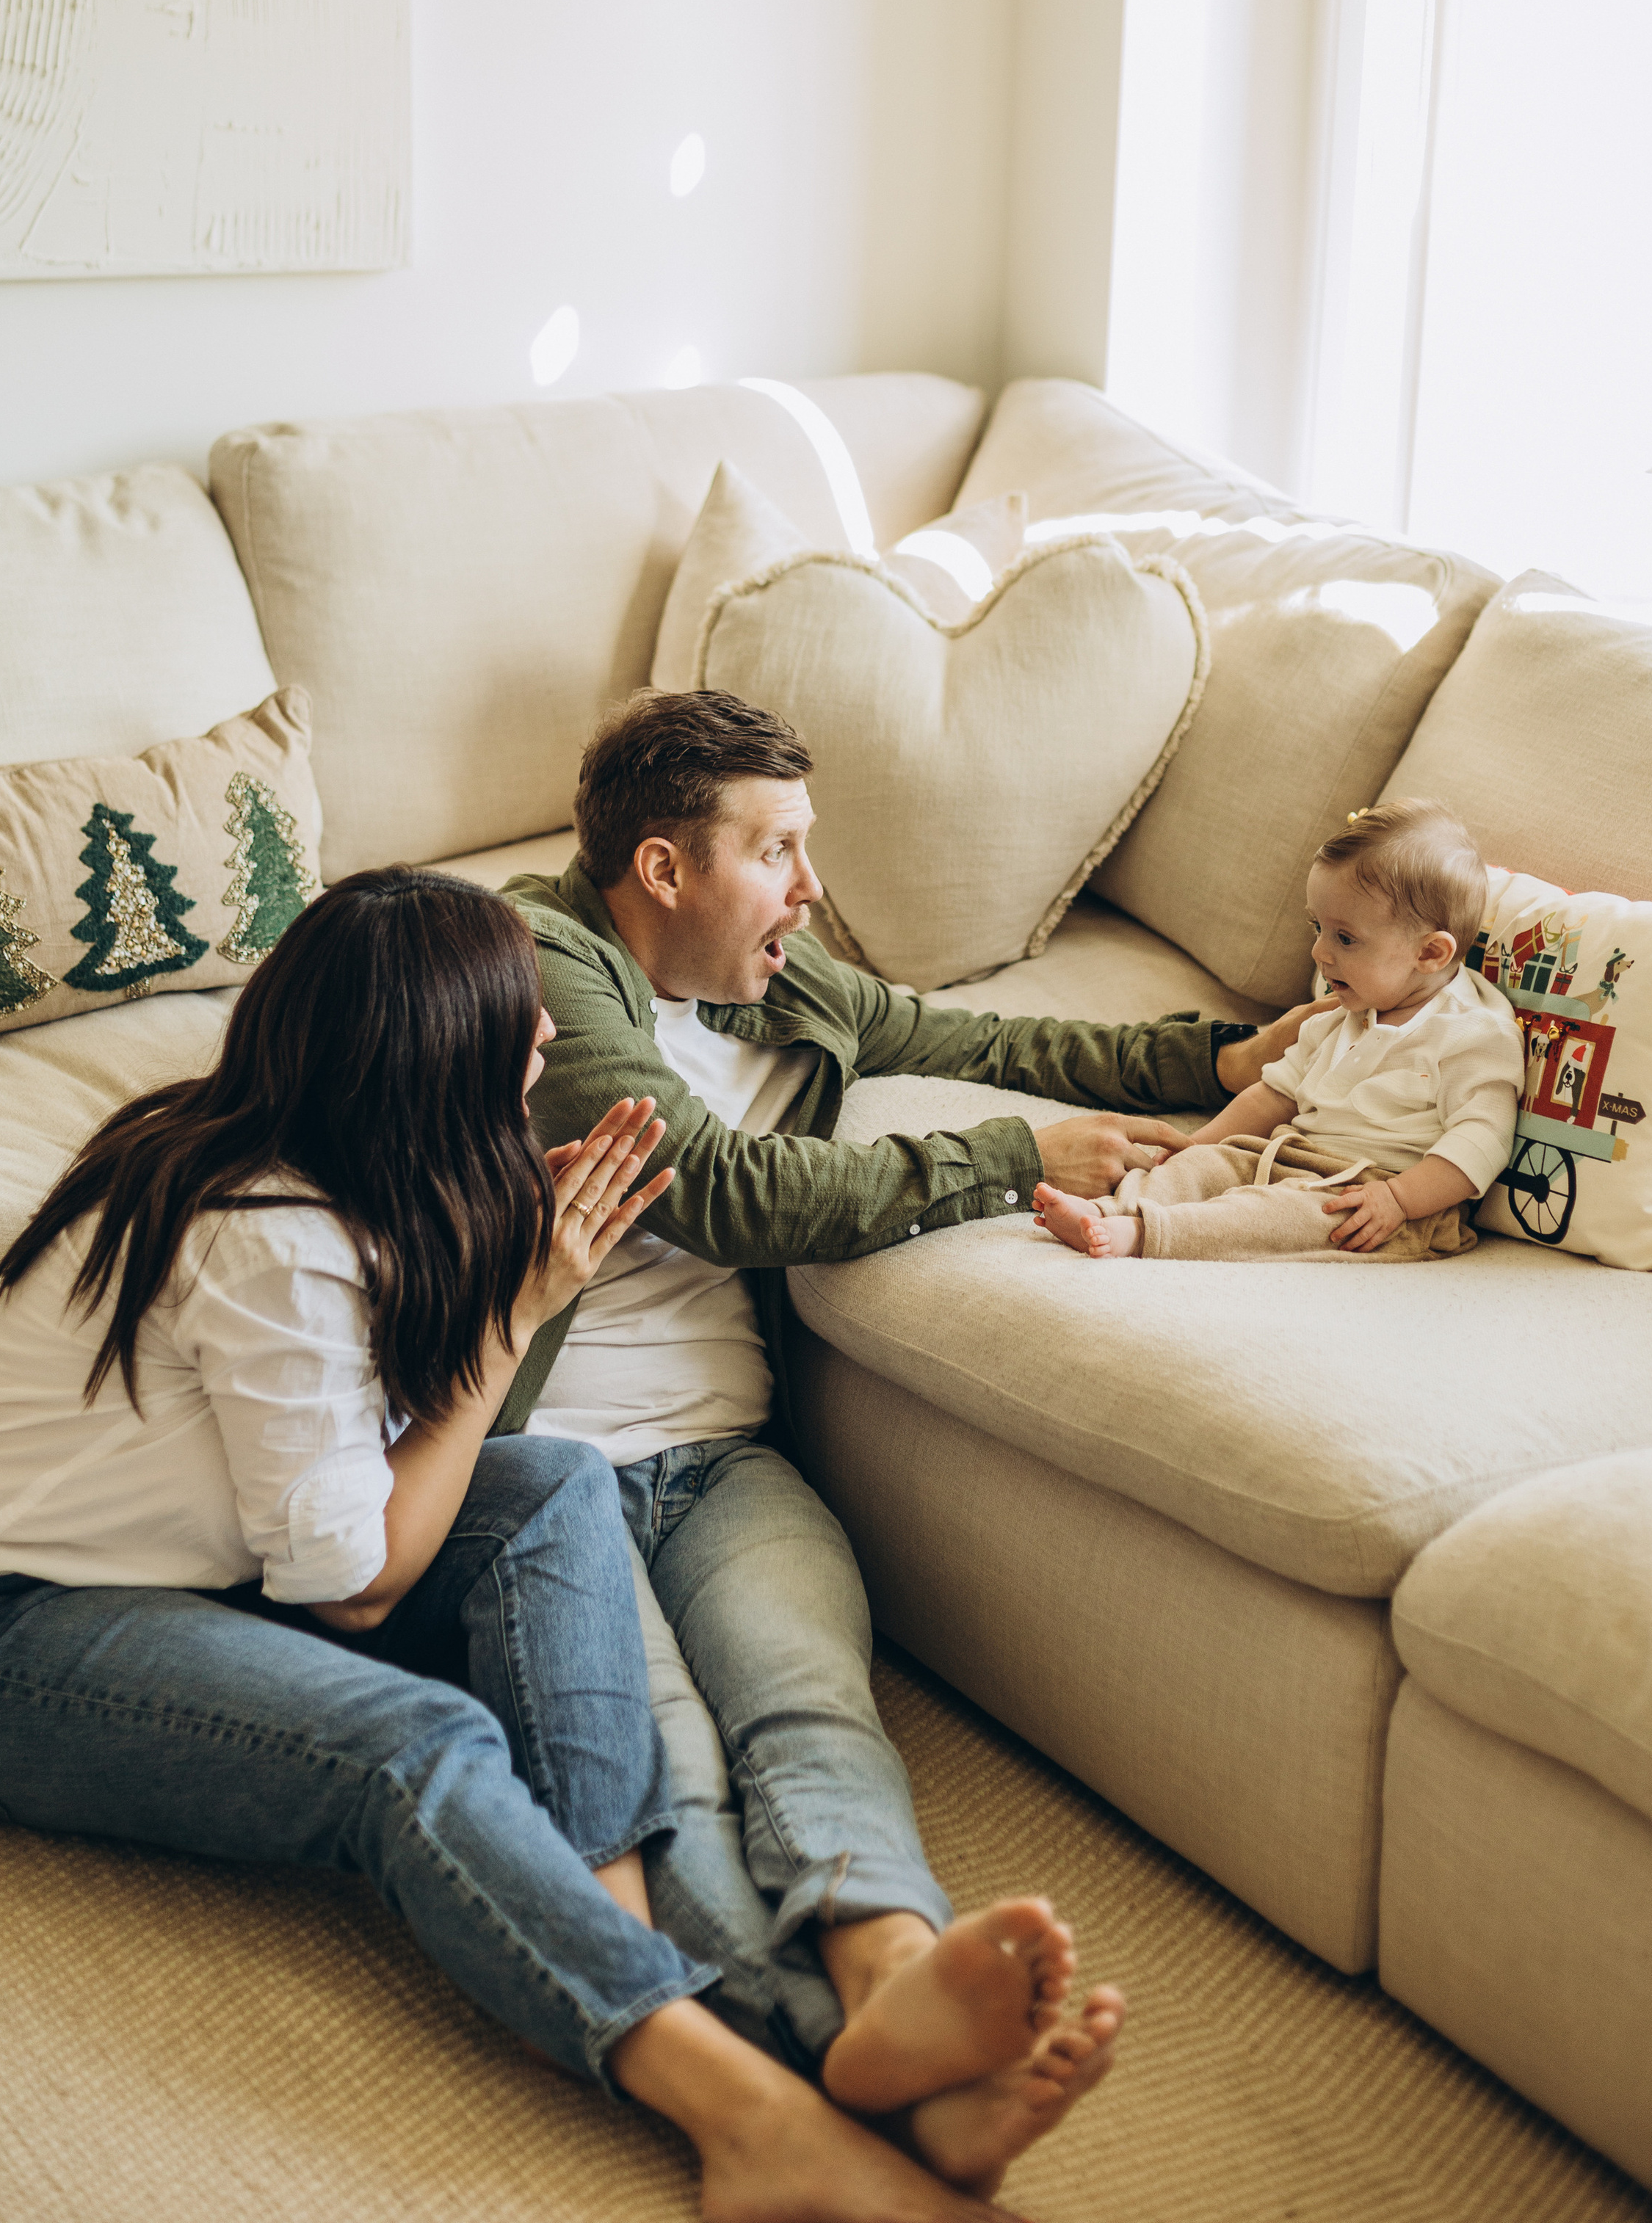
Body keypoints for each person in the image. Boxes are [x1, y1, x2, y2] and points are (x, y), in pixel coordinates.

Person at [0, 870, 1033, 2223]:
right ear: (435, 1057)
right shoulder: (267, 1235)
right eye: (523, 1019)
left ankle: (609, 1939)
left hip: (202, 1569)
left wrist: (516, 1253)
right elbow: (353, 1588)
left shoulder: (355, 1166)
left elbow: (388, 1476)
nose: (550, 1038)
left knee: (555, 1481)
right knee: (416, 1747)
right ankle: (752, 2109)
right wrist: (517, 1313)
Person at [495, 690, 1316, 2191]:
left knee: (808, 1708)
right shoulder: (534, 965)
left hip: (726, 1455)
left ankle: (888, 1981)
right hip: (542, 1476)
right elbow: (719, 1191)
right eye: (779, 850)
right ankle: (834, 2067)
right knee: (663, 1770)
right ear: (663, 870)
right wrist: (999, 1161)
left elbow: (984, 1035)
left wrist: (1220, 1060)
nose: (809, 886)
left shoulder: (788, 986)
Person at [1035, 799, 1524, 1263]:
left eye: (1345, 938)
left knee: (1271, 1216)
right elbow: (1272, 1096)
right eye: (1319, 928)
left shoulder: (1475, 1035)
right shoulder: (1341, 1015)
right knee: (1203, 1166)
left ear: (1430, 954)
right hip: (1284, 1154)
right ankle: (1105, 1211)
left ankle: (1141, 1234)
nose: (1320, 953)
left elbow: (1481, 1139)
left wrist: (1399, 1197)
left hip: (1378, 1198)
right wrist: (1195, 1145)